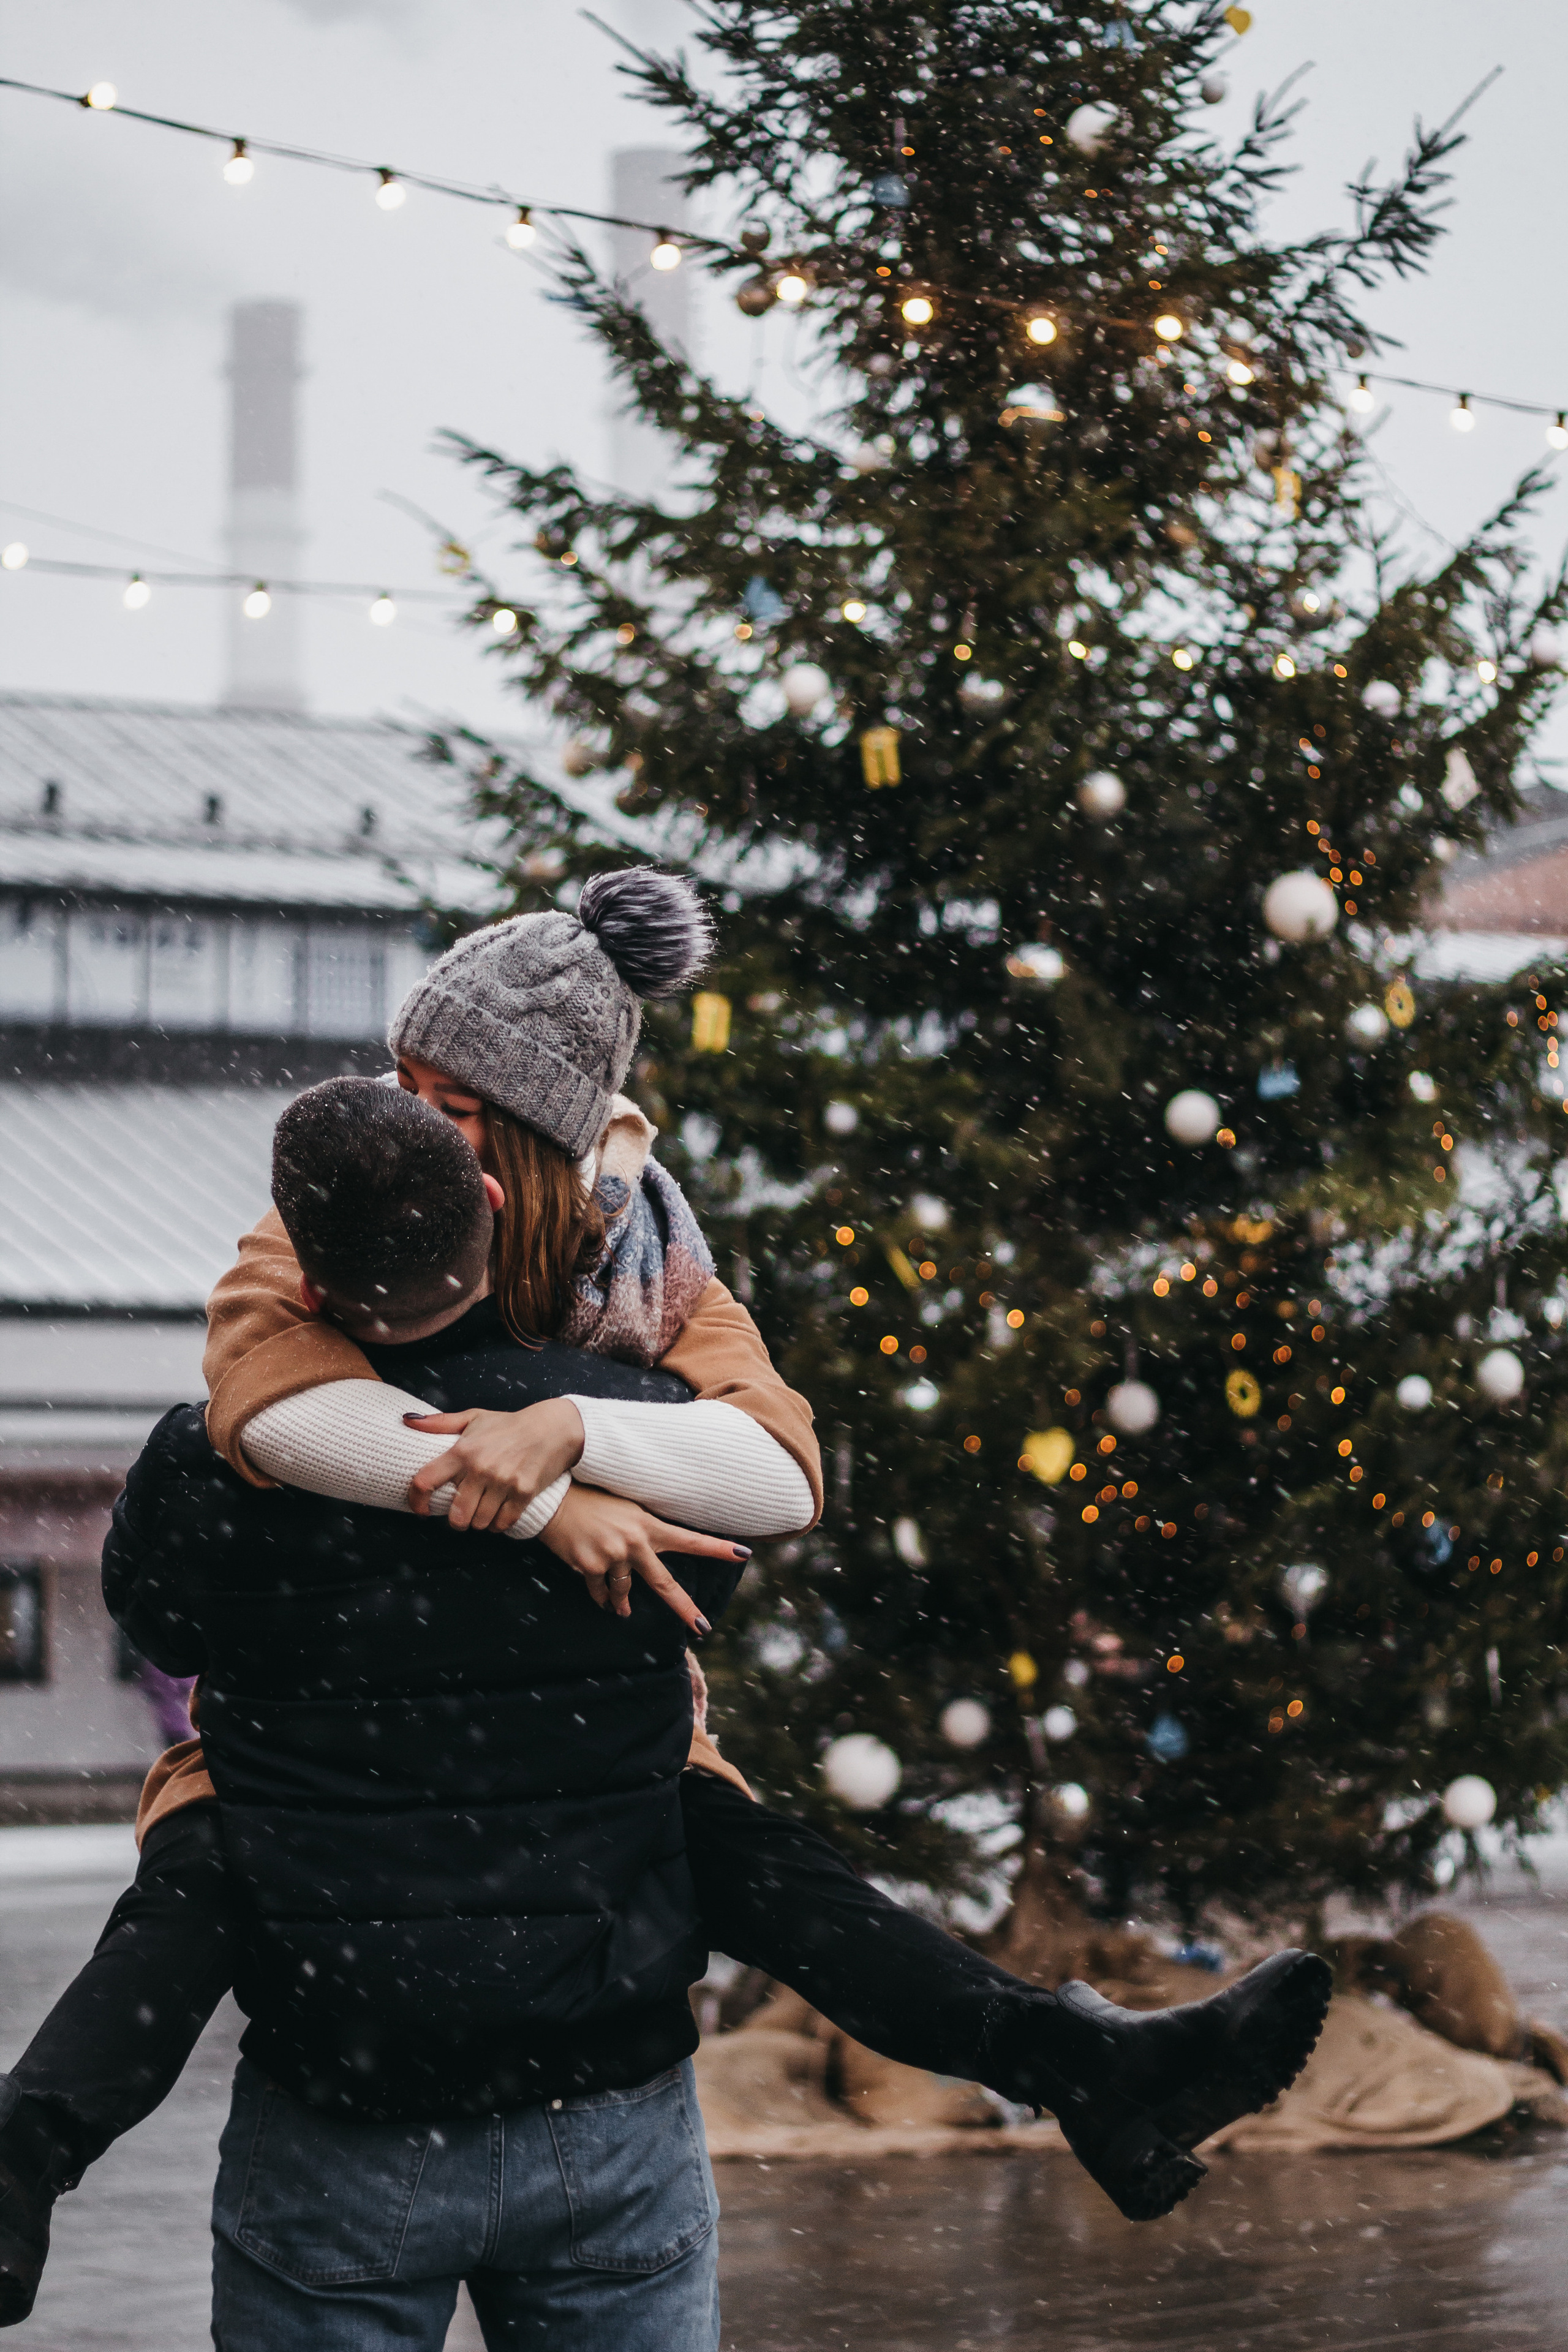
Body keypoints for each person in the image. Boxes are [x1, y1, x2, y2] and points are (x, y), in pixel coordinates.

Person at [0, 886, 1329, 2336]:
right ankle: (1074, 2066)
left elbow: (774, 1477)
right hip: (597, 2078)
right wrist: (549, 1499)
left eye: (450, 1105)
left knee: (215, 1868)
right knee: (734, 1850)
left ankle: (30, 2143)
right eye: (403, 1087)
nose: (408, 1121)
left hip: (349, 2077)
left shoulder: (635, 1295)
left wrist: (562, 1437)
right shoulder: (612, 1384)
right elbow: (297, 1424)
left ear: (518, 1159)